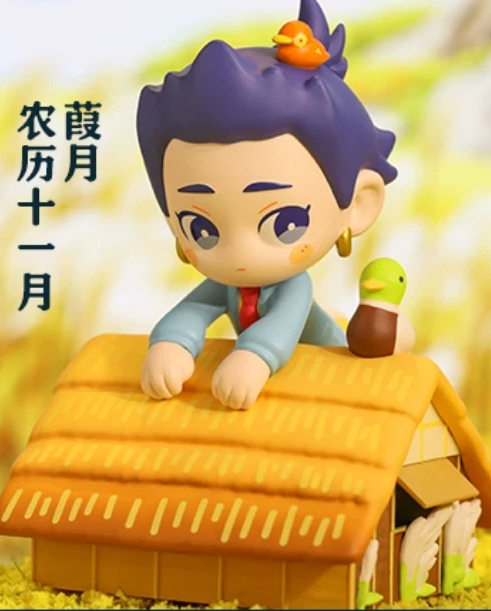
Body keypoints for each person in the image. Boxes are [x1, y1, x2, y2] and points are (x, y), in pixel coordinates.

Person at [136, 0, 397, 410]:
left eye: (284, 223)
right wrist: (171, 343)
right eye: (201, 228)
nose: (239, 254)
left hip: (325, 377)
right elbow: (194, 308)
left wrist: (256, 356)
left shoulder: (292, 288)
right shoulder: (227, 285)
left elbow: (281, 325)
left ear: (359, 204)